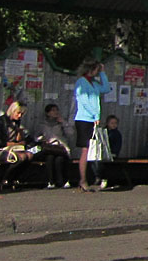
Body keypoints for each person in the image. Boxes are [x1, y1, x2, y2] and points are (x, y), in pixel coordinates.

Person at [72, 59, 109, 192]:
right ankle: (83, 179)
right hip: (84, 119)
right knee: (85, 149)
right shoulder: (81, 83)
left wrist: (103, 74)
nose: (97, 73)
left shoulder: (94, 83)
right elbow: (84, 101)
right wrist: (95, 115)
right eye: (96, 70)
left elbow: (106, 88)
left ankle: (90, 176)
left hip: (93, 119)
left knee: (93, 149)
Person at [38, 104, 73, 188]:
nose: (55, 112)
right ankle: (51, 181)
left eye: (56, 110)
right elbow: (36, 136)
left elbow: (70, 133)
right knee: (50, 158)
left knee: (59, 159)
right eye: (53, 110)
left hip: (60, 147)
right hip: (49, 147)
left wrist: (63, 123)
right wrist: (41, 139)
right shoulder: (42, 124)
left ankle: (63, 181)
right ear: (48, 113)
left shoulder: (60, 123)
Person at [92, 114, 123, 191]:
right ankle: (97, 176)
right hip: (103, 153)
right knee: (95, 161)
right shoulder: (103, 132)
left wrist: (114, 152)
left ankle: (104, 179)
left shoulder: (117, 134)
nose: (114, 125)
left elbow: (117, 145)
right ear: (107, 123)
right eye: (112, 123)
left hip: (112, 153)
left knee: (106, 163)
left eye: (115, 123)